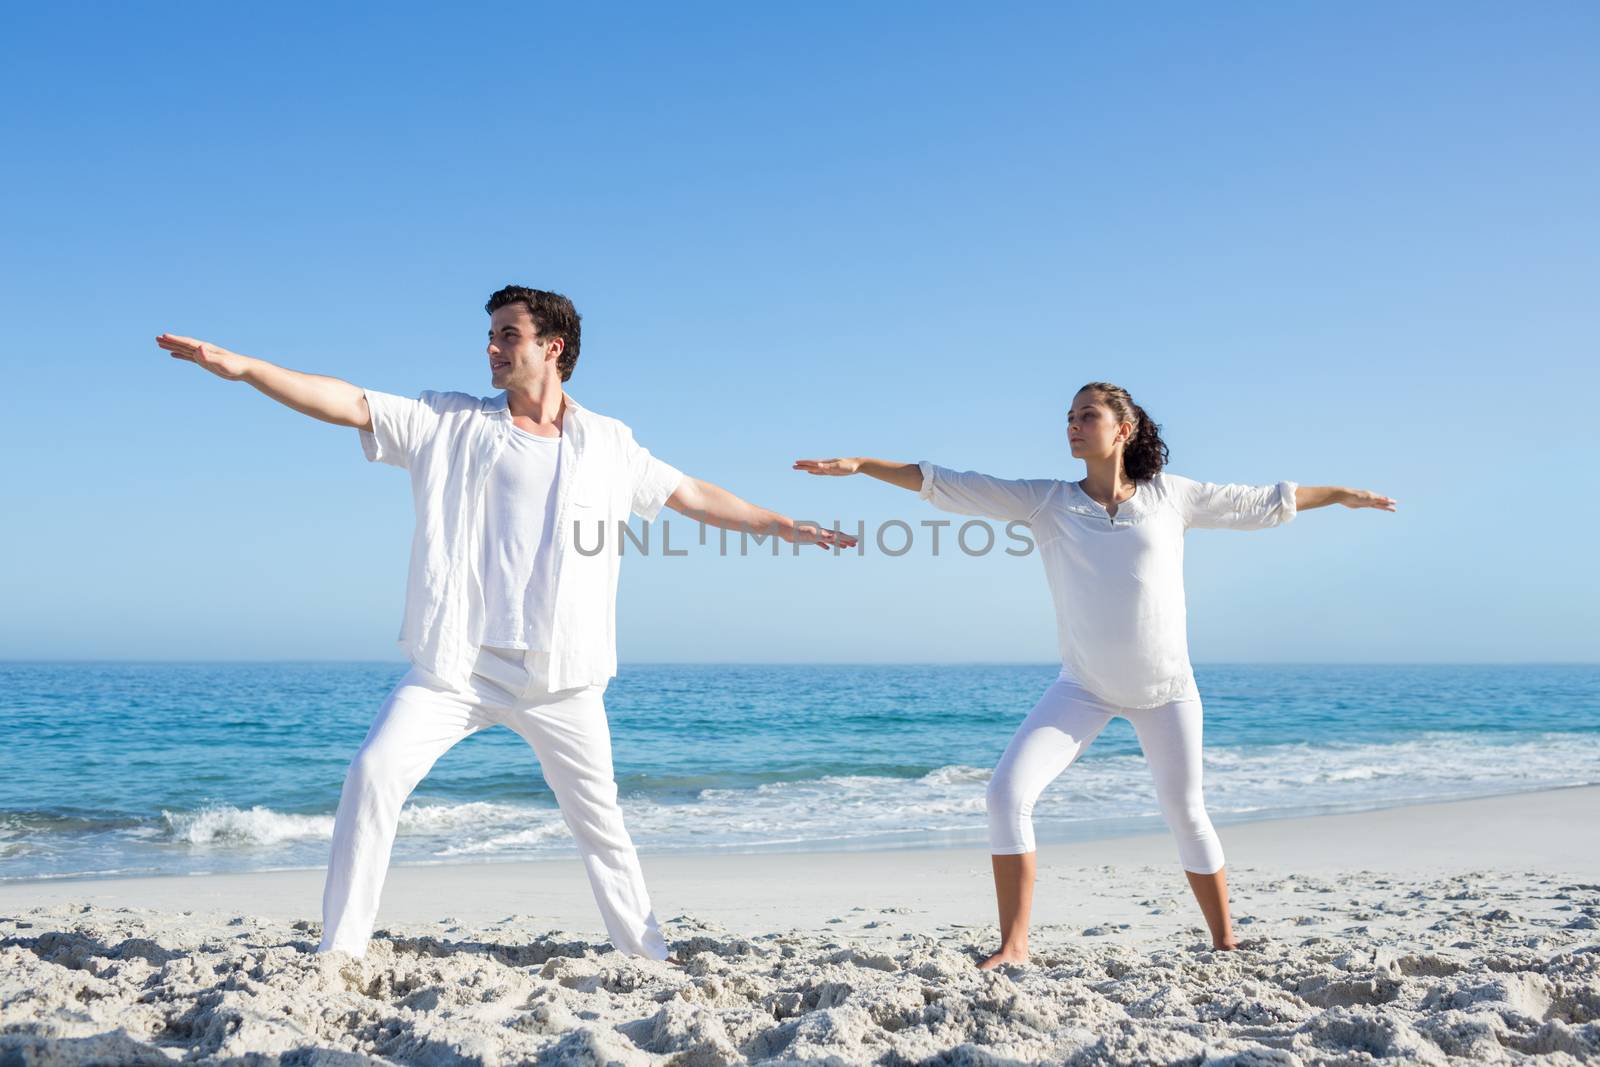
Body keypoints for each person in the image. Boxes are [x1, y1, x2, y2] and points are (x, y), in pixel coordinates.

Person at [157, 285, 853, 962]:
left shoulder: (610, 443)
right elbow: (349, 402)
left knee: (600, 823)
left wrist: (783, 525)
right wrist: (244, 367)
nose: (492, 347)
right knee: (372, 774)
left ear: (552, 347)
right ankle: (340, 950)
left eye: (508, 334)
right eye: (490, 335)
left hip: (562, 677)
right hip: (457, 666)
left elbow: (693, 494)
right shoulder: (449, 421)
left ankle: (647, 957)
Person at [794, 381, 1394, 968]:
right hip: (1083, 687)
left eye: (1086, 416)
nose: (1072, 426)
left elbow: (1260, 502)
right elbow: (951, 485)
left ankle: (1225, 940)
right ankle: (1015, 945)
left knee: (1186, 812)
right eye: (1070, 417)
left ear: (1122, 430)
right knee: (1006, 794)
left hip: (1168, 691)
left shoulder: (1171, 496)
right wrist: (864, 465)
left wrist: (1340, 493)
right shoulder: (1047, 501)